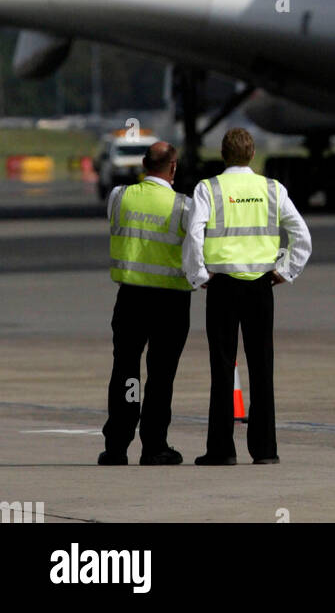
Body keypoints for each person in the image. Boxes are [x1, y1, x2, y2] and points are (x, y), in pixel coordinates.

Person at [183, 127, 312, 465]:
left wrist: (198, 276)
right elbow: (301, 235)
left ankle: (222, 449)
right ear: (252, 154)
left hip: (222, 283)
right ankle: (266, 450)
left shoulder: (208, 188)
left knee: (223, 367)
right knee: (262, 366)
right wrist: (285, 271)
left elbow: (194, 235)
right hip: (260, 285)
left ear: (223, 154)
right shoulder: (272, 188)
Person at [99, 141, 192, 465]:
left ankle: (117, 445)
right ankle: (154, 445)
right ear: (173, 167)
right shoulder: (183, 206)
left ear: (143, 165)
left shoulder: (119, 197)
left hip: (131, 297)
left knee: (126, 370)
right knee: (161, 374)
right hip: (170, 300)